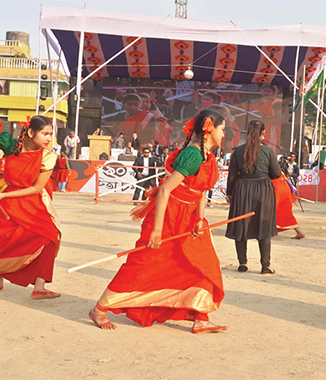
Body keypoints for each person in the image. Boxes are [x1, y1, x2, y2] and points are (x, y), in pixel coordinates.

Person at [90, 109, 227, 333]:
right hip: (169, 215)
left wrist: (200, 219)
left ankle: (201, 317)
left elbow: (201, 191)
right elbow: (164, 190)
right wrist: (157, 230)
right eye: (222, 129)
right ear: (210, 129)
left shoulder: (208, 156)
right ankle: (99, 309)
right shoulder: (193, 155)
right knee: (143, 262)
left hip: (189, 217)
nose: (224, 134)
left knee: (203, 264)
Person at [0, 116, 61, 299]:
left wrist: (4, 195)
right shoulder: (8, 143)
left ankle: (40, 286)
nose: (48, 139)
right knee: (2, 240)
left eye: (50, 134)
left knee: (50, 236)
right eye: (44, 133)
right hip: (8, 201)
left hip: (31, 202)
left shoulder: (48, 157)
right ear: (30, 132)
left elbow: (36, 188)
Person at [226, 120, 281, 274]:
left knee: (241, 225)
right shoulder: (269, 152)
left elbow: (232, 175)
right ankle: (266, 266)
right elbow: (276, 173)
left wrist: (229, 193)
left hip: (242, 188)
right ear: (263, 132)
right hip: (263, 189)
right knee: (263, 226)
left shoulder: (238, 151)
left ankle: (242, 263)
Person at [273, 172, 305, 239]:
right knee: (284, 211)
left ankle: (267, 231)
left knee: (271, 210)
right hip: (283, 184)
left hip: (276, 185)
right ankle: (299, 231)